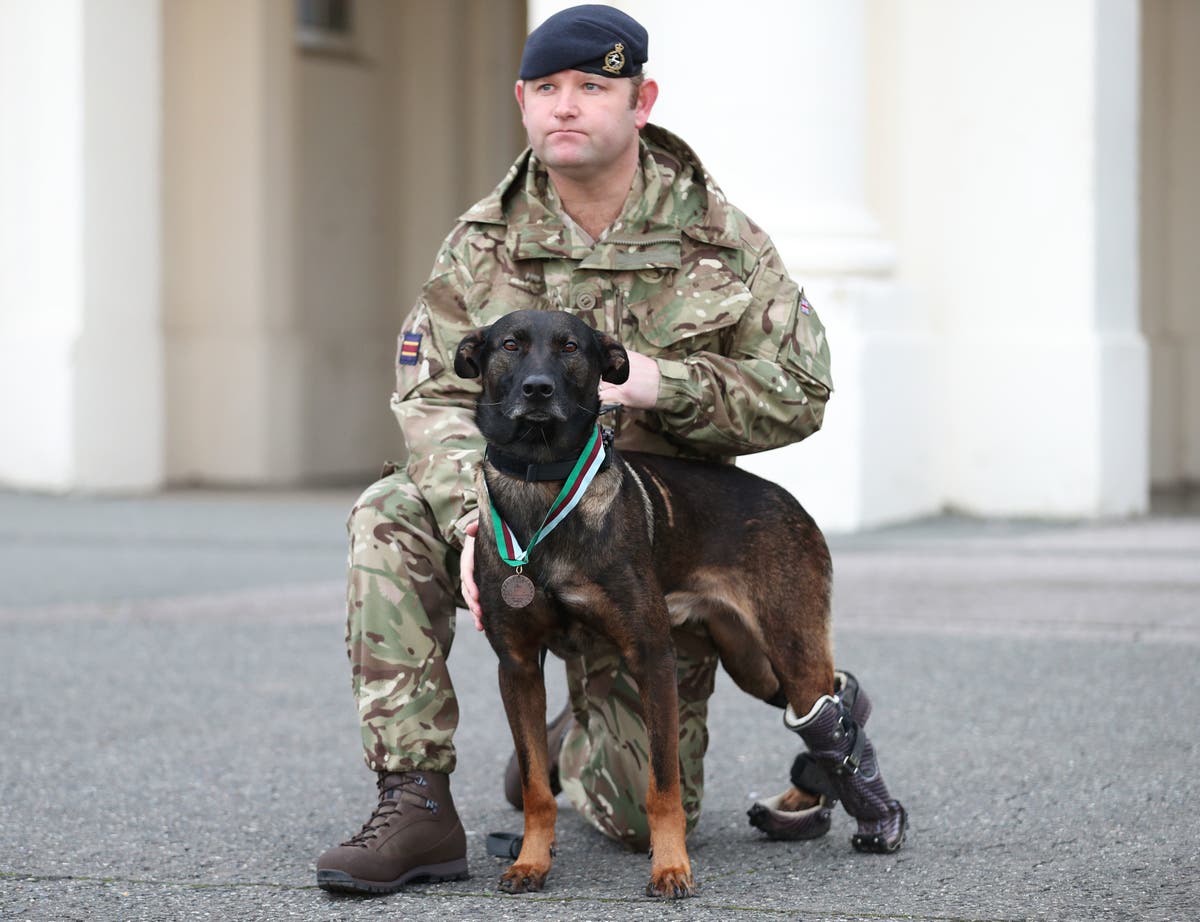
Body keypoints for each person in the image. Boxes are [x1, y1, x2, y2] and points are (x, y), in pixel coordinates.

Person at [316, 4, 901, 895]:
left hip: (660, 541)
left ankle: (604, 731)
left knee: (636, 824)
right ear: (521, 101)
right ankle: (417, 798)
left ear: (641, 99)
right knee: (387, 515)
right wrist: (474, 522)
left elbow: (802, 387)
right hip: (512, 508)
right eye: (547, 88)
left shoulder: (721, 239)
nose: (566, 105)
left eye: (594, 86)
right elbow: (430, 391)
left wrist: (664, 385)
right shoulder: (481, 244)